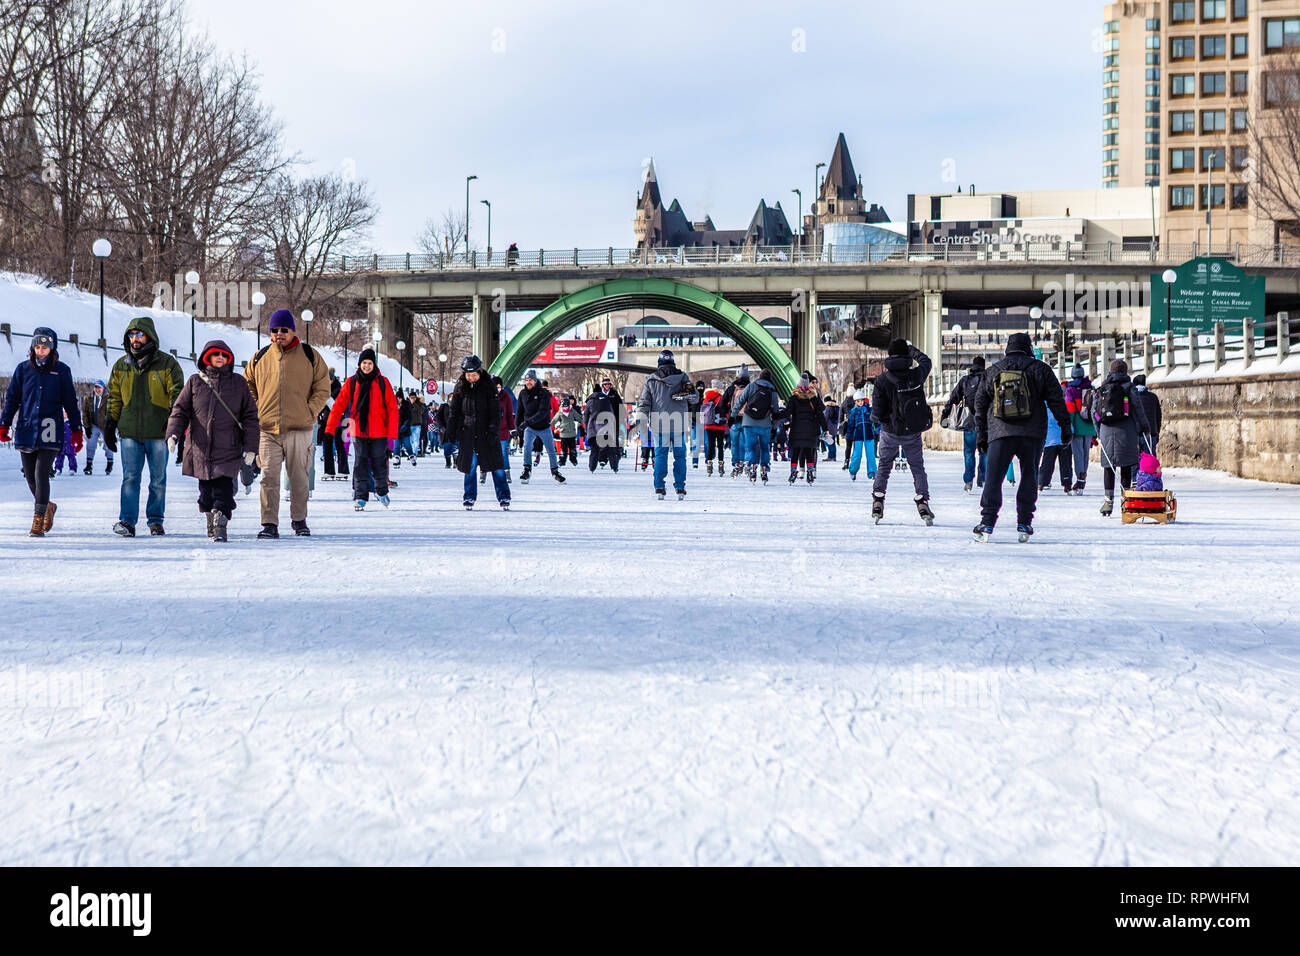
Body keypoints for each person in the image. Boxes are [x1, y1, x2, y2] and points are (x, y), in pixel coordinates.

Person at [972, 332, 1071, 540]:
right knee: (1029, 476)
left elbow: (979, 405)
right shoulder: (1040, 369)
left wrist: (982, 434)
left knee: (993, 478)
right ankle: (1024, 523)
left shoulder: (993, 370)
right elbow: (1056, 400)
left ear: (1008, 348)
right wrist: (1065, 426)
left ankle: (987, 522)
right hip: (1032, 433)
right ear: (1029, 347)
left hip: (1000, 432)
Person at [244, 309, 331, 538]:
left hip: (300, 428)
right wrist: (257, 407)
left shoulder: (310, 356)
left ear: (293, 331)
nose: (279, 334)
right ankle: (269, 524)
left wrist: (309, 410)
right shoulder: (260, 357)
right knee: (268, 478)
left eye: (284, 330)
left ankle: (299, 520)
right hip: (267, 429)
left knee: (299, 477)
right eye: (275, 330)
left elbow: (323, 388)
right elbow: (247, 385)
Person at [164, 340, 260, 542]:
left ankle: (220, 524)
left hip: (228, 447)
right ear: (206, 357)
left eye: (224, 355)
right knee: (206, 492)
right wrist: (173, 434)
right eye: (216, 354)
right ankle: (211, 517)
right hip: (201, 448)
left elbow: (250, 416)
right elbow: (180, 411)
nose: (220, 358)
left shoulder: (238, 383)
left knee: (223, 491)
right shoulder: (194, 382)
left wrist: (251, 447)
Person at [1, 327, 82, 536]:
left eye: (44, 347)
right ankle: (48, 506)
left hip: (50, 428)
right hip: (27, 428)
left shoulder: (61, 371)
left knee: (41, 473)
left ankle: (37, 520)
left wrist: (76, 430)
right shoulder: (22, 369)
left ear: (52, 348)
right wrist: (4, 423)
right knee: (29, 476)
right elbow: (12, 399)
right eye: (37, 347)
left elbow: (70, 401)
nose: (40, 351)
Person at [107, 316, 184, 536]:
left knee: (158, 479)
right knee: (130, 478)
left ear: (149, 335)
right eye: (131, 334)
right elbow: (114, 397)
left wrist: (176, 427)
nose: (135, 339)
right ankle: (127, 522)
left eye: (139, 334)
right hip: (130, 432)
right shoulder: (121, 366)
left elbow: (177, 396)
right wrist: (111, 423)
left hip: (159, 433)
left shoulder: (167, 363)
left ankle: (155, 521)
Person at [869, 340, 934, 524]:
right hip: (912, 432)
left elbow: (877, 412)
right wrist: (911, 349)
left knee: (884, 466)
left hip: (889, 431)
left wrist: (881, 421)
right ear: (906, 354)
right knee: (917, 468)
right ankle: (922, 501)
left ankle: (878, 501)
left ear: (889, 356)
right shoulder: (916, 375)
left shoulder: (882, 380)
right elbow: (926, 361)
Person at [325, 347, 398, 511]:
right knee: (360, 464)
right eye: (364, 363)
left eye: (370, 363)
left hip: (379, 431)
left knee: (379, 463)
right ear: (360, 364)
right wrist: (329, 429)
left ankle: (381, 491)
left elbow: (392, 408)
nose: (367, 366)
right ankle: (360, 496)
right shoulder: (352, 382)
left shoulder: (382, 382)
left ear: (374, 365)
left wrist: (392, 434)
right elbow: (338, 407)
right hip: (359, 430)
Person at [448, 355, 510, 510]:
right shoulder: (460, 387)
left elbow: (496, 412)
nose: (471, 378)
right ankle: (469, 497)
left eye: (474, 375)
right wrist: (452, 430)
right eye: (468, 375)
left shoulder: (488, 385)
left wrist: (492, 431)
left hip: (487, 432)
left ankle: (504, 496)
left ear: (480, 372)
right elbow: (454, 411)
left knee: (497, 467)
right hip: (468, 433)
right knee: (470, 467)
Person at [636, 348, 699, 498]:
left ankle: (659, 487)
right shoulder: (683, 378)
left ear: (659, 363)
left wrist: (641, 420)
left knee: (660, 455)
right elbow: (694, 398)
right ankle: (680, 487)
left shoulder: (651, 380)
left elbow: (644, 403)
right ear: (673, 362)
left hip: (659, 424)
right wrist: (681, 395)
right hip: (678, 423)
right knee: (680, 456)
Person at [1094, 359, 1152, 517]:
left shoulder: (1101, 388)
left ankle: (1108, 501)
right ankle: (1125, 501)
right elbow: (1138, 409)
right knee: (1126, 466)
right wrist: (1145, 427)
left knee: (1109, 467)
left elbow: (1095, 412)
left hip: (1106, 431)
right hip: (1127, 430)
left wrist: (1099, 431)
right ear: (1125, 372)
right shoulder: (1130, 387)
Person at [941, 356, 988, 493]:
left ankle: (968, 480)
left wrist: (945, 415)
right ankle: (983, 478)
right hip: (985, 422)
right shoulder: (988, 379)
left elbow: (953, 399)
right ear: (984, 366)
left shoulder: (965, 381)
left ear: (973, 366)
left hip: (969, 421)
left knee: (969, 451)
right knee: (984, 451)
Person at [732, 367, 782, 484]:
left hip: (748, 422)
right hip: (765, 424)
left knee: (750, 447)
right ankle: (764, 468)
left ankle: (752, 466)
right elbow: (775, 411)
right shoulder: (772, 390)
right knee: (765, 448)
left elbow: (740, 401)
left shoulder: (751, 386)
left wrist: (733, 416)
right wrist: (774, 427)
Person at [514, 370, 565, 483]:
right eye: (526, 380)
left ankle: (555, 471)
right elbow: (519, 412)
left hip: (544, 427)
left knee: (551, 450)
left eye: (531, 380)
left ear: (535, 381)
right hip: (530, 428)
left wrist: (527, 423)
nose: (528, 382)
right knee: (527, 448)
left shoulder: (544, 393)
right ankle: (527, 470)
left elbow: (543, 413)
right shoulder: (522, 393)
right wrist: (517, 428)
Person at [780, 372, 825, 484]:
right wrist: (825, 428)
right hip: (811, 429)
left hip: (796, 429)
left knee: (796, 452)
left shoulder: (794, 398)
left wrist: (774, 416)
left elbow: (787, 412)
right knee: (808, 451)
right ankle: (810, 471)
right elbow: (821, 414)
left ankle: (793, 472)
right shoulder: (813, 398)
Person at [1062, 364, 1096, 495]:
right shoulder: (1090, 388)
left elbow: (1070, 410)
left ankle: (1079, 481)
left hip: (1076, 426)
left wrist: (1067, 426)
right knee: (1086, 454)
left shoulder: (1070, 390)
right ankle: (1083, 479)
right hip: (1089, 425)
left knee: (1078, 454)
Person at [583, 374, 622, 472]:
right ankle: (603, 459)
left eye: (608, 384)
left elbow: (620, 409)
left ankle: (615, 460)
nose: (607, 386)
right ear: (602, 386)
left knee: (613, 444)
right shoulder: (598, 396)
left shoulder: (614, 394)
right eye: (605, 384)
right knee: (602, 444)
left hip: (613, 421)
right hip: (602, 423)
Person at [1037, 395, 1074, 494]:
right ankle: (1067, 485)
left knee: (1047, 463)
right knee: (1065, 463)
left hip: (1050, 439)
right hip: (1063, 438)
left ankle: (1041, 483)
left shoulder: (1043, 406)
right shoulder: (1062, 405)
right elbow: (1067, 420)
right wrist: (1071, 432)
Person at [720, 366, 750, 477]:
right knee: (746, 443)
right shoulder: (752, 387)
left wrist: (728, 414)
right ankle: (746, 462)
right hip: (748, 420)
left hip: (734, 420)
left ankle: (736, 464)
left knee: (735, 443)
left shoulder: (731, 388)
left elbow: (721, 405)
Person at [843, 389, 876, 481]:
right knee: (857, 455)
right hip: (858, 436)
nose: (860, 403)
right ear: (855, 402)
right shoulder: (853, 412)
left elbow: (875, 421)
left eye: (861, 400)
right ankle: (853, 471)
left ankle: (872, 473)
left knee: (871, 455)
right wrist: (849, 436)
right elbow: (850, 425)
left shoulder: (869, 410)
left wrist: (877, 430)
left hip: (869, 435)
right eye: (858, 401)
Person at [81, 380, 113, 475]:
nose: (97, 389)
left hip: (105, 426)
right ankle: (89, 464)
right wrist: (86, 427)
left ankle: (110, 463)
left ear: (103, 388)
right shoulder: (89, 398)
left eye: (99, 387)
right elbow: (84, 413)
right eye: (96, 387)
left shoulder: (109, 398)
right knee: (90, 443)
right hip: (94, 425)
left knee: (108, 444)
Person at [700, 379, 727, 476]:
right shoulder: (722, 398)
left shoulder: (706, 397)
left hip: (709, 424)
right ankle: (720, 464)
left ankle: (709, 463)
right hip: (720, 425)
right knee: (720, 445)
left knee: (711, 444)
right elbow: (726, 409)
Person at [493, 375, 517, 481]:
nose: (497, 389)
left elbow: (509, 414)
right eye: (495, 387)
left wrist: (513, 429)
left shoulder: (506, 396)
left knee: (503, 452)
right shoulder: (487, 396)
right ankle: (483, 472)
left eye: (499, 387)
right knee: (488, 452)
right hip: (490, 431)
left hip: (503, 430)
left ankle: (506, 472)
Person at [1132, 374, 1162, 454]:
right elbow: (1158, 417)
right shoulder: (1153, 397)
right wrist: (1157, 432)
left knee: (1135, 461)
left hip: (1135, 433)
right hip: (1151, 433)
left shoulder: (1131, 397)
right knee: (1149, 460)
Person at [551, 398, 581, 466]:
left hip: (572, 433)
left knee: (572, 449)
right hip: (563, 433)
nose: (565, 408)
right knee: (563, 449)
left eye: (566, 406)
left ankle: (573, 460)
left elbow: (579, 417)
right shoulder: (560, 412)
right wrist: (549, 425)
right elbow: (554, 420)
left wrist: (582, 421)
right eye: (564, 406)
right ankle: (562, 461)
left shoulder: (572, 411)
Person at [821, 385, 840, 462]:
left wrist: (822, 425)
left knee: (829, 443)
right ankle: (833, 456)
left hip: (829, 427)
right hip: (834, 427)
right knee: (832, 442)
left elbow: (825, 418)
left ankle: (830, 456)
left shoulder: (828, 407)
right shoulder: (836, 407)